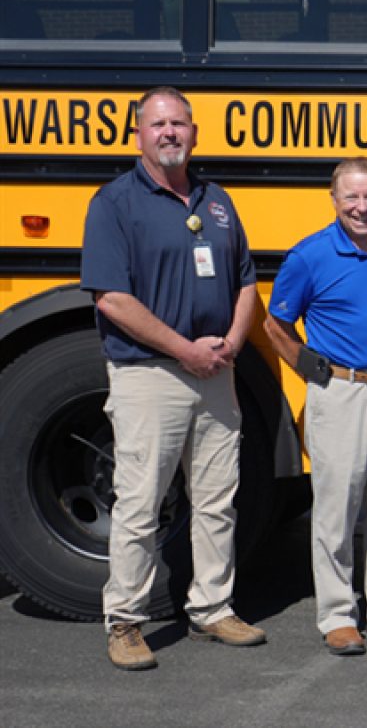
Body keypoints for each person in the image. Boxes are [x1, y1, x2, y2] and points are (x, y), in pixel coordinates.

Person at [81, 86, 264, 671]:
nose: (169, 133)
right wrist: (186, 350)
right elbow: (111, 298)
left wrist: (231, 343)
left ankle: (212, 607)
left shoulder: (217, 201)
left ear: (194, 132)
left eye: (179, 124)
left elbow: (246, 281)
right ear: (138, 134)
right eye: (158, 124)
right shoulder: (114, 203)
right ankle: (125, 622)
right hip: (150, 375)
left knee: (217, 501)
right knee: (140, 504)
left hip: (216, 373)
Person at [263, 158, 367, 657]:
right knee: (337, 508)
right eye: (352, 197)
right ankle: (338, 614)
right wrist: (312, 372)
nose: (363, 207)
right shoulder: (310, 256)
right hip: (342, 392)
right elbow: (276, 324)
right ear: (334, 200)